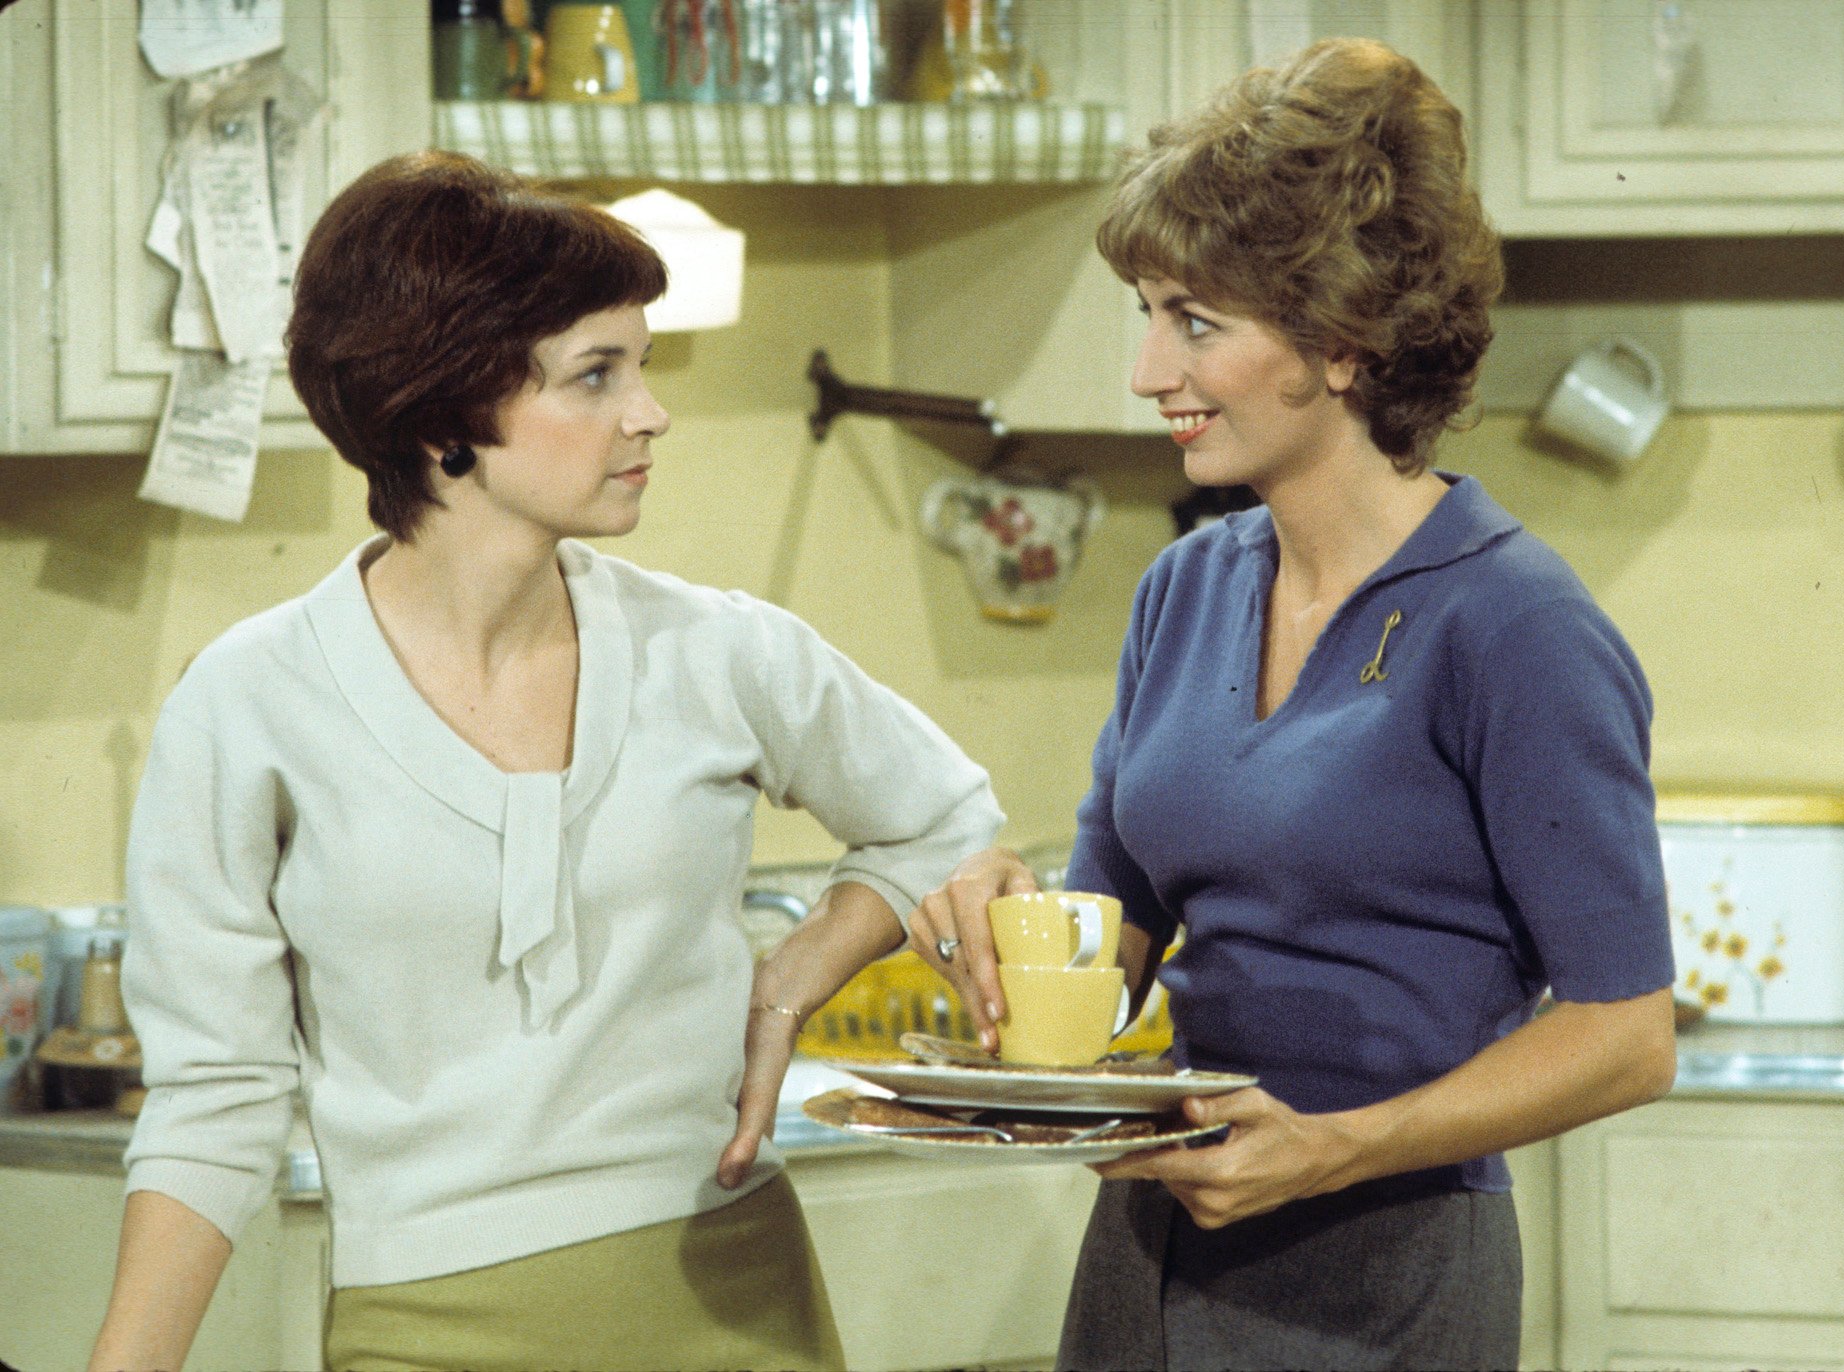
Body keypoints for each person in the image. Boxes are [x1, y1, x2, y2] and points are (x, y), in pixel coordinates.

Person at [88, 150, 1003, 1372]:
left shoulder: (717, 650)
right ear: (447, 411)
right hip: (420, 1329)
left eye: (641, 364)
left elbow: (944, 820)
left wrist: (790, 978)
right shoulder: (251, 706)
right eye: (597, 374)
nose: (650, 411)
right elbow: (214, 1103)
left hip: (738, 1301)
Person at [907, 37, 1678, 1371]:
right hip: (1151, 1248)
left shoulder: (1516, 626)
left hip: (1384, 1268)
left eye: (1193, 323)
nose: (1149, 372)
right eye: (1147, 314)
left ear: (1344, 337)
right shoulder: (1186, 587)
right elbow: (1120, 930)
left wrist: (1334, 1150)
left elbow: (1627, 1037)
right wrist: (996, 921)